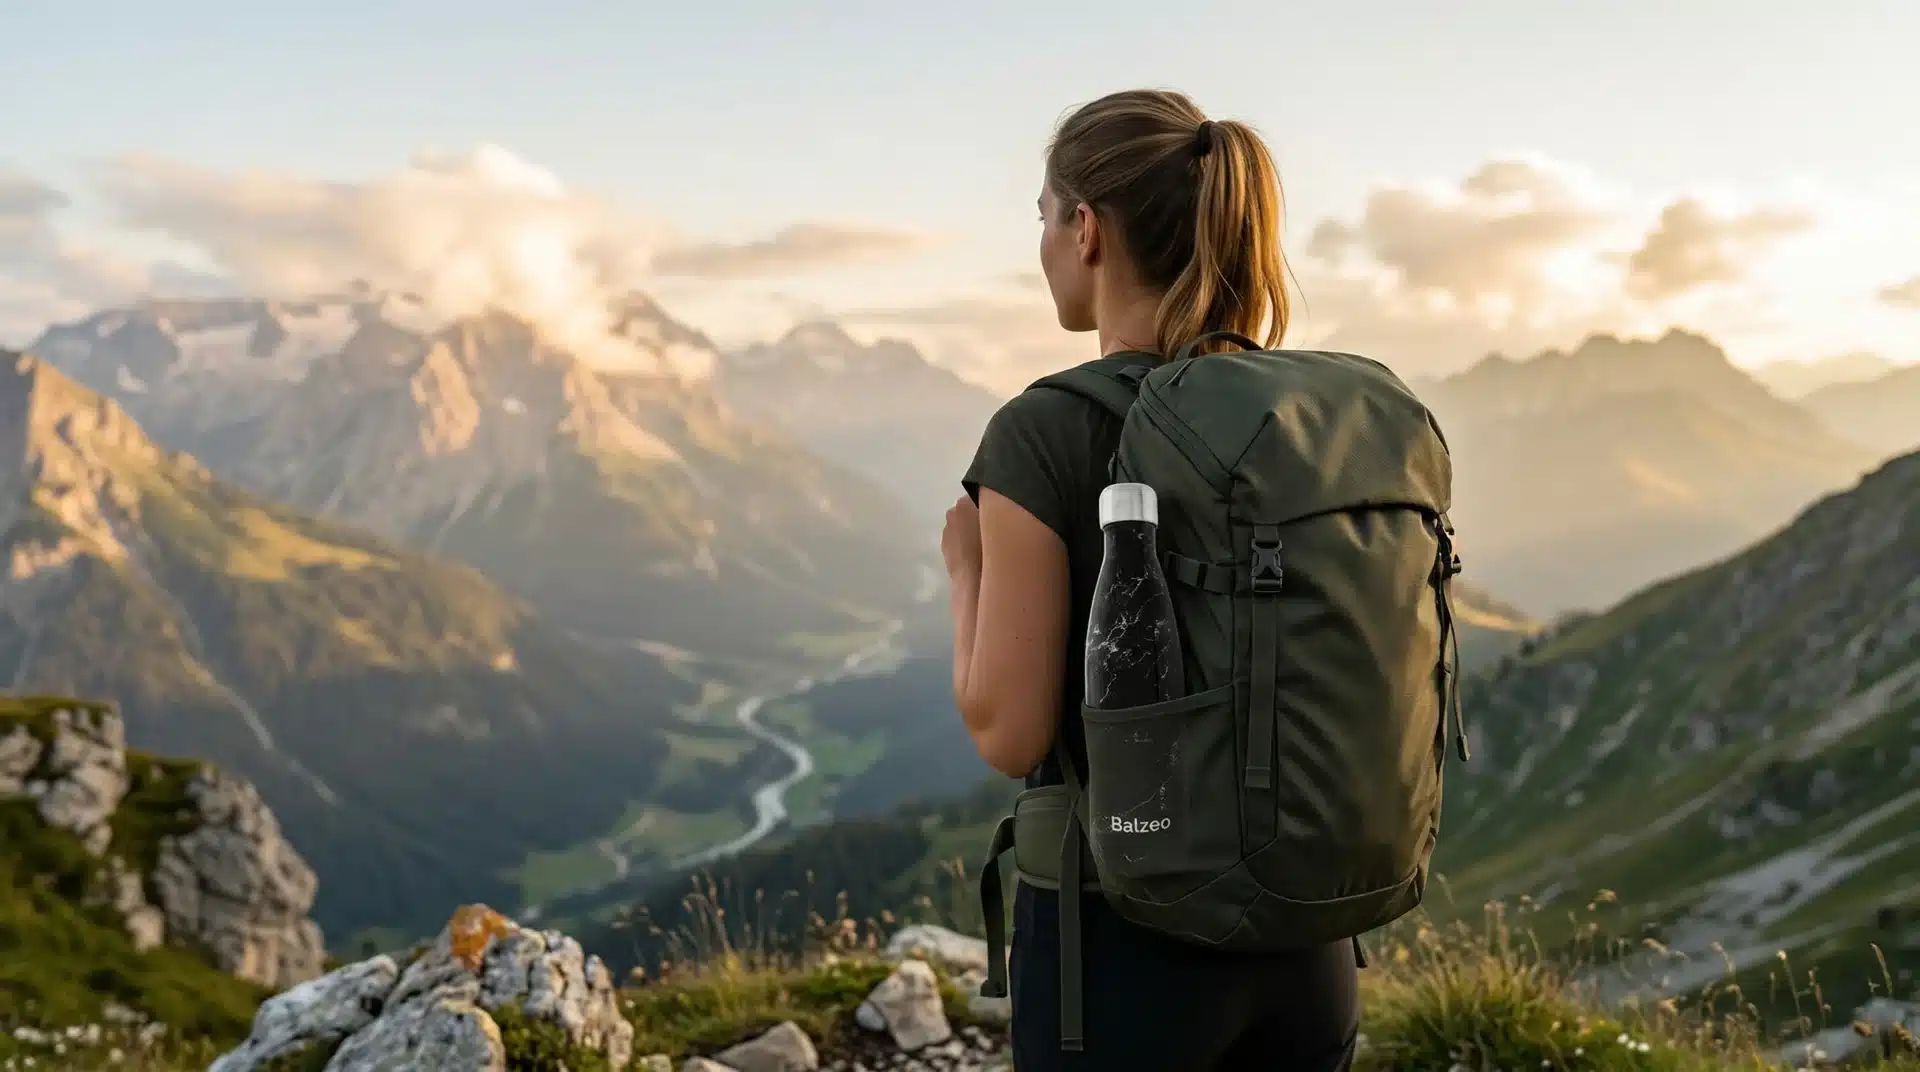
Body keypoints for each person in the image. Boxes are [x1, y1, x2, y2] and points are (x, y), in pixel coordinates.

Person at [940, 89, 1360, 1071]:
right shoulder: (1301, 422)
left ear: (1085, 229)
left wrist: (967, 569)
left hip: (1121, 948)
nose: (1042, 243)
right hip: (1309, 940)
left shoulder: (1047, 430)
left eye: (1044, 218)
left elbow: (1008, 730)